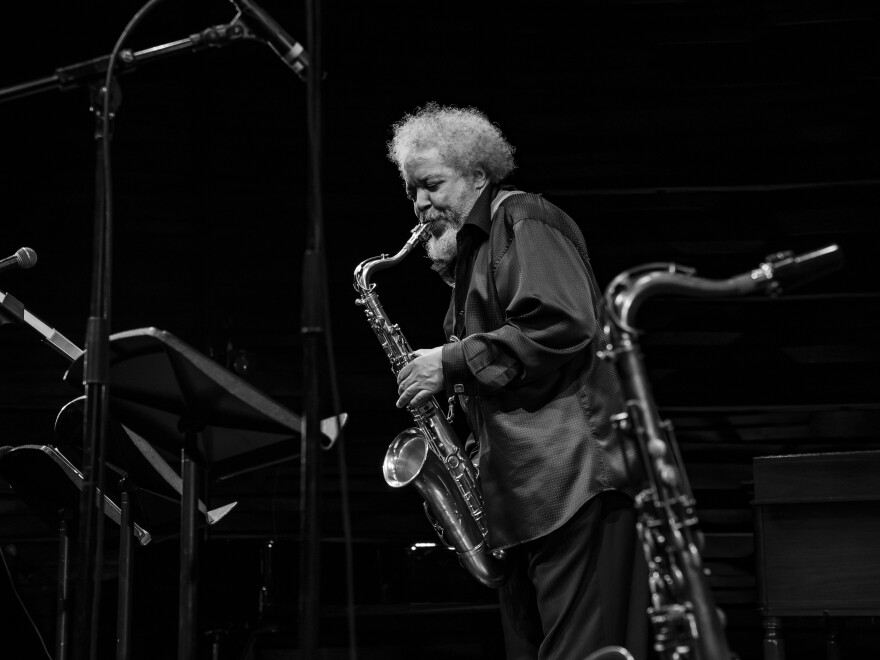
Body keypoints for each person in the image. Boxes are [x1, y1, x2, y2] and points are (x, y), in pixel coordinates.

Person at [389, 102, 647, 660]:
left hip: (575, 479)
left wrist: (450, 363)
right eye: (411, 191)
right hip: (523, 495)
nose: (420, 205)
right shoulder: (471, 255)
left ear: (479, 174)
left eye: (431, 185)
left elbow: (564, 321)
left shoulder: (524, 219)